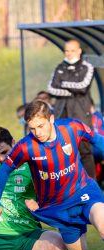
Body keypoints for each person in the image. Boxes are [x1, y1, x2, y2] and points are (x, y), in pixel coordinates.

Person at [0, 100, 104, 250]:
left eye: (41, 126)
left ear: (52, 119)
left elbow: (97, 140)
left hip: (84, 191)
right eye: (32, 128)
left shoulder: (72, 127)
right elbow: (5, 170)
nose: (37, 133)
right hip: (60, 208)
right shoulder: (26, 147)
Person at [47, 39, 95, 178]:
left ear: (79, 51)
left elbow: (83, 87)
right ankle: (66, 185)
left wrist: (62, 83)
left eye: (72, 50)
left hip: (81, 115)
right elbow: (51, 89)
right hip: (61, 114)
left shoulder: (87, 67)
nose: (69, 53)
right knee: (61, 151)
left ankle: (91, 186)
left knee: (85, 151)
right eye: (66, 50)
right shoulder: (59, 67)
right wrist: (72, 90)